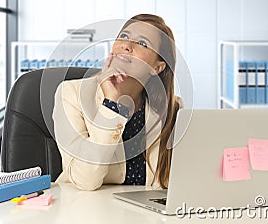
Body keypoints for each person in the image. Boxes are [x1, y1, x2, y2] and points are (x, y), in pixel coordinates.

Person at [53, 14, 182, 191]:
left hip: (146, 214)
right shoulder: (71, 93)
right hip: (87, 209)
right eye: (124, 36)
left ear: (156, 67)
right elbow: (85, 180)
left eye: (142, 43)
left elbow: (174, 181)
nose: (126, 45)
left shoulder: (173, 108)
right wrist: (111, 105)